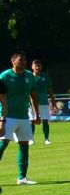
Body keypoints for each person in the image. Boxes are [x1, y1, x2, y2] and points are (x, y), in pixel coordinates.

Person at [0, 51, 41, 185]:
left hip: (23, 117)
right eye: (20, 60)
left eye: (24, 60)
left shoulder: (29, 76)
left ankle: (22, 177)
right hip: (8, 116)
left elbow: (33, 96)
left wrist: (36, 114)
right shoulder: (5, 76)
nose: (23, 62)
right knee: (2, 144)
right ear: (13, 61)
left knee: (24, 146)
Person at [30, 59, 54, 144]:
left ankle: (46, 139)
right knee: (32, 121)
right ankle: (31, 139)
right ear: (32, 67)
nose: (37, 67)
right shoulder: (29, 77)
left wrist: (53, 100)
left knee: (45, 120)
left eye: (39, 66)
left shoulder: (45, 77)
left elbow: (50, 89)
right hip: (31, 103)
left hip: (43, 102)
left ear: (41, 67)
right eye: (35, 66)